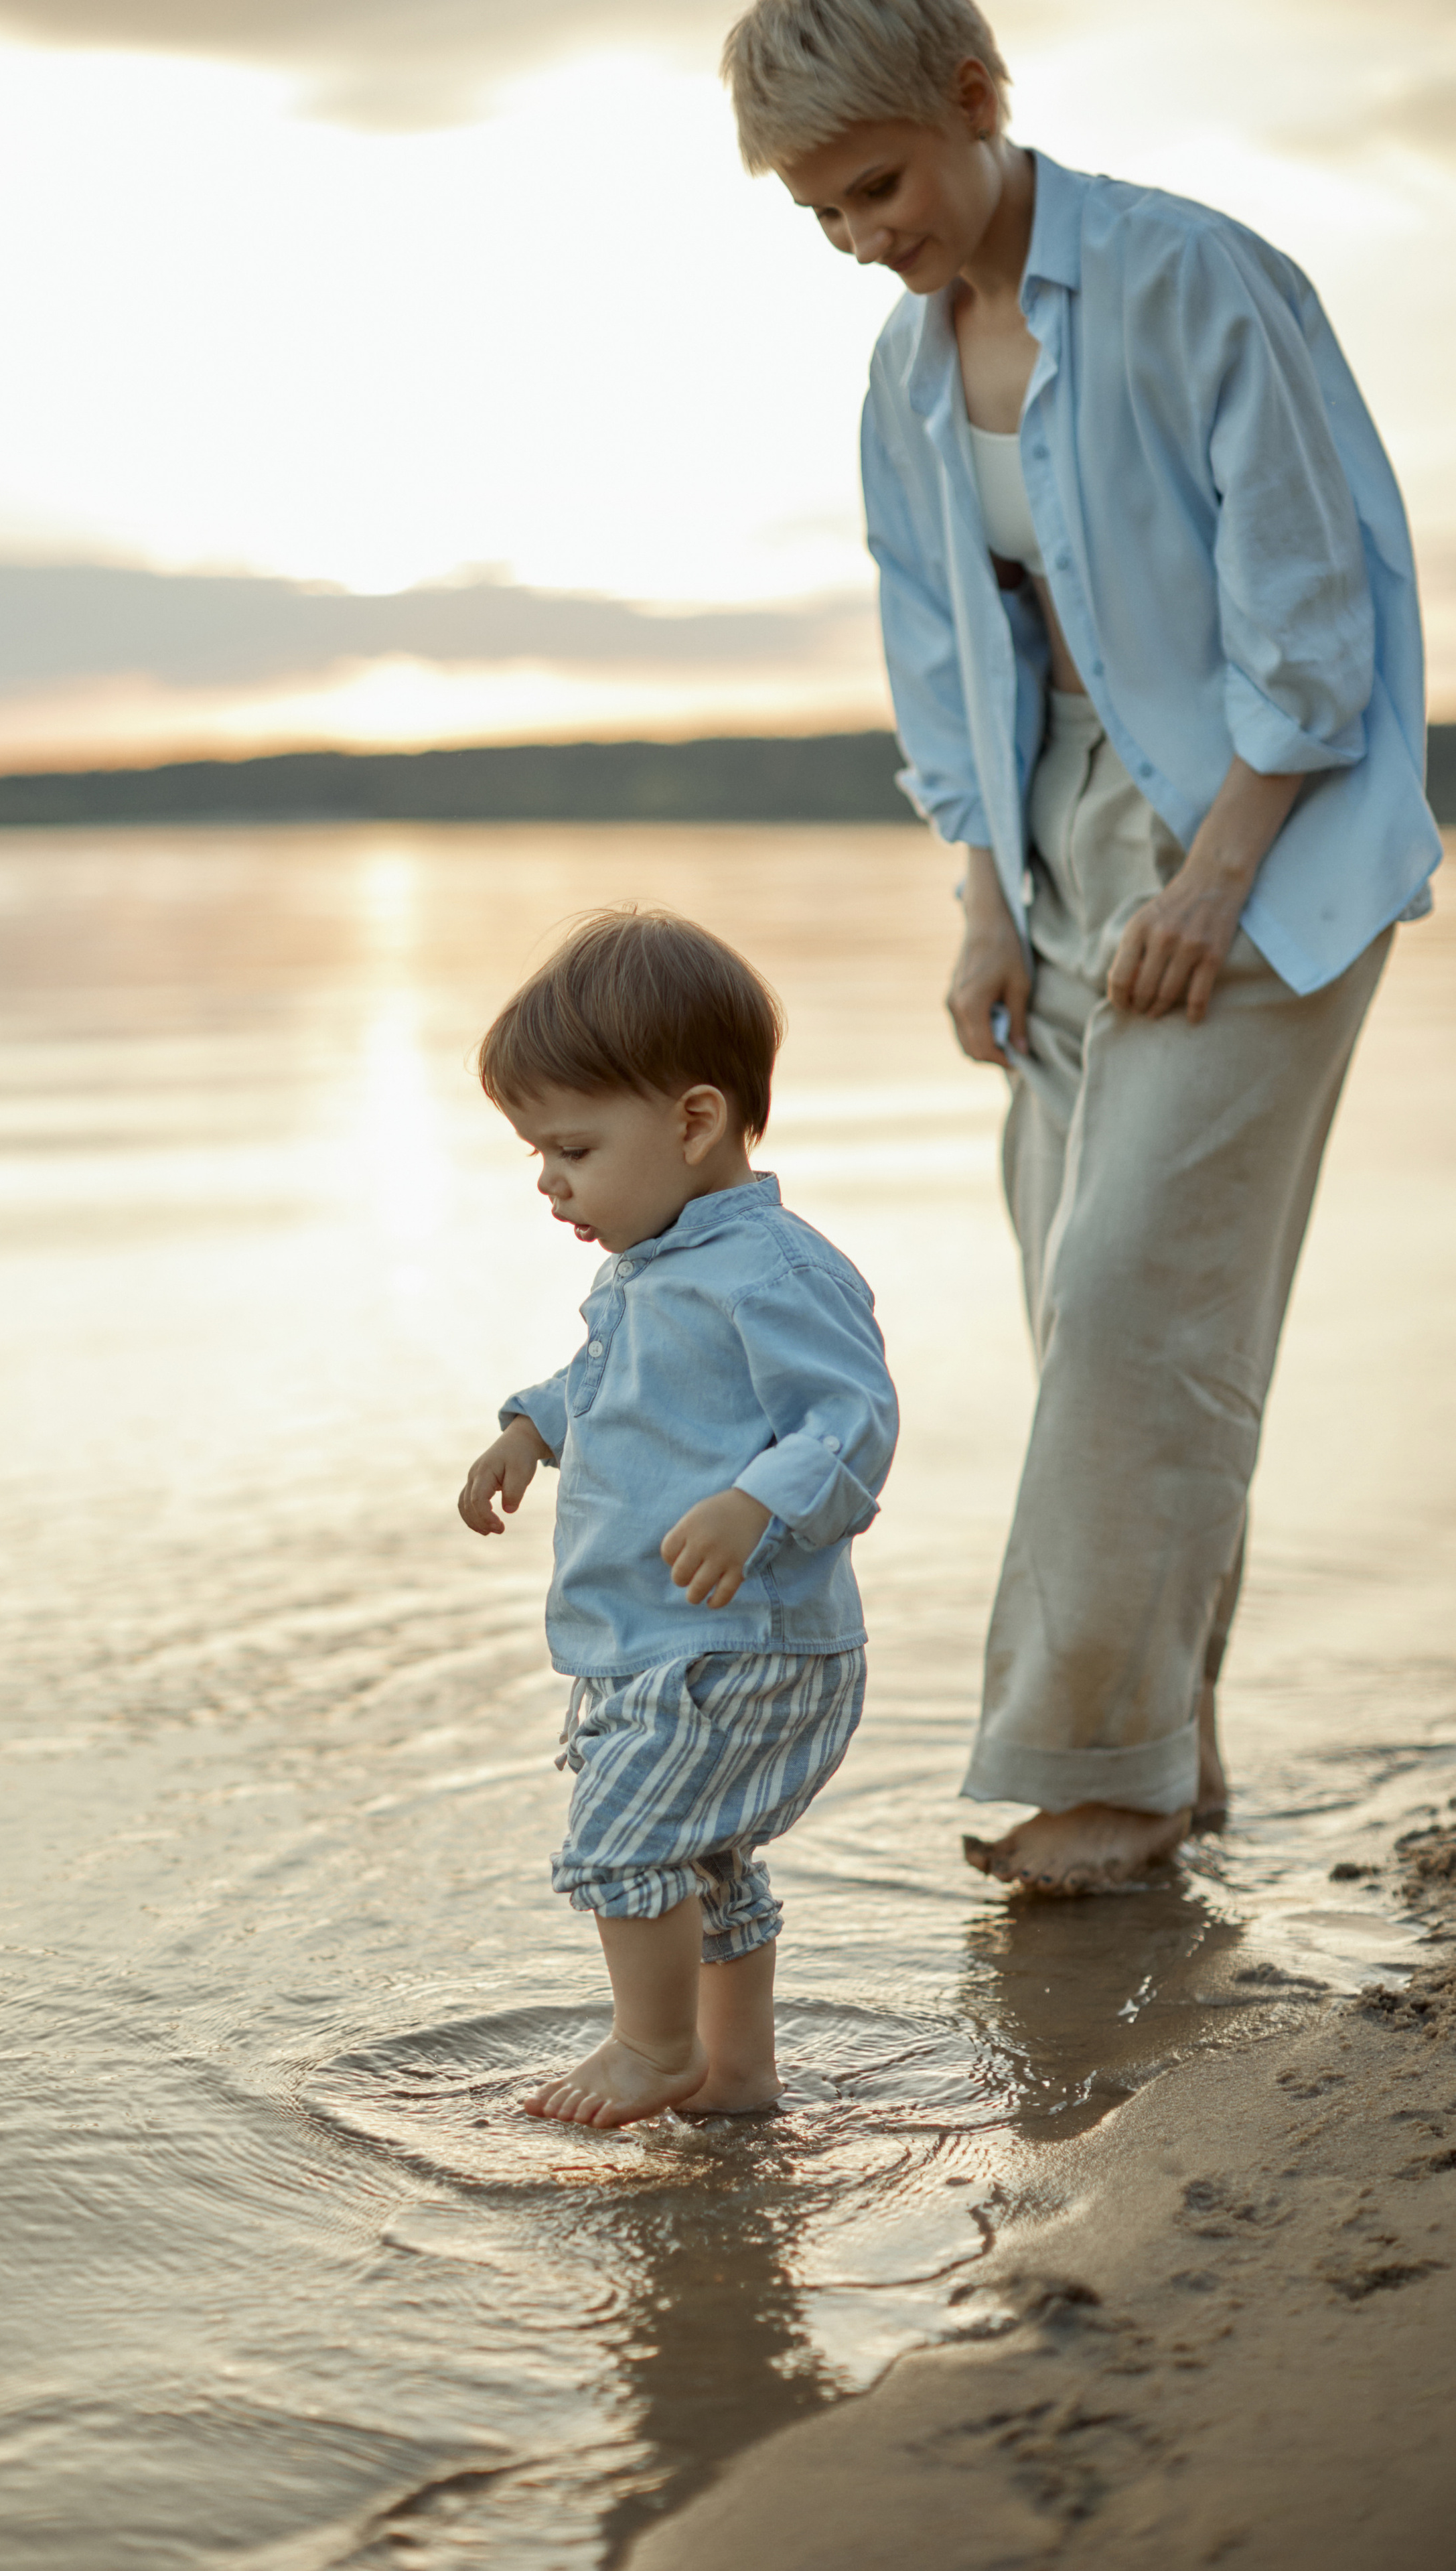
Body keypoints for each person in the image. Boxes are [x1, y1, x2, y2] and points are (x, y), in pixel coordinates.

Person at [721, 1, 1442, 1892]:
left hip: (1260, 849)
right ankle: (1172, 1747)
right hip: (1047, 866)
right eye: (819, 214)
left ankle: (1092, 1786)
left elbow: (1316, 604)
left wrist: (1213, 876)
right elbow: (944, 657)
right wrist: (981, 899)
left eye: (873, 185)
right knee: (1102, 1328)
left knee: (1135, 1304)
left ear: (976, 103)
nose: (860, 235)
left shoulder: (1200, 281)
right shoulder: (901, 374)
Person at [457, 910, 899, 2126]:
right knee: (705, 1865)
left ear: (695, 1121)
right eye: (540, 1152)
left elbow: (852, 1421)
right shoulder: (652, 1267)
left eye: (575, 1148)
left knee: (624, 1846)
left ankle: (652, 2048)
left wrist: (757, 1498)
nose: (549, 1181)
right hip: (664, 1645)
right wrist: (530, 1428)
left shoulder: (774, 1270)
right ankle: (735, 2074)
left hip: (738, 1647)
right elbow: (612, 1379)